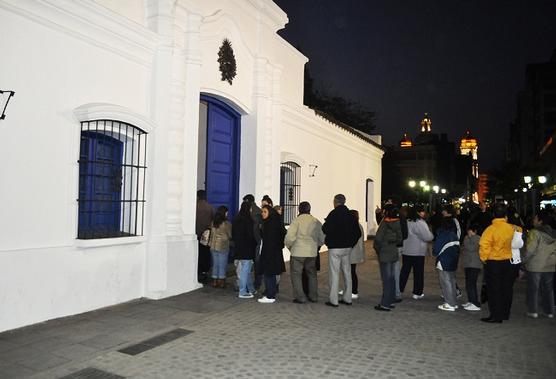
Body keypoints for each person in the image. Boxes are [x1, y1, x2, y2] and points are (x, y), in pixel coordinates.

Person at [479, 203, 523, 323]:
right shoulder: (512, 228)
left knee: (494, 289)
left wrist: (484, 259)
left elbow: (484, 245)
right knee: (507, 288)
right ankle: (504, 313)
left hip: (494, 262)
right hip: (508, 261)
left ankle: (495, 315)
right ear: (505, 215)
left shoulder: (490, 229)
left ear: (493, 214)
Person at [322, 194, 362, 307]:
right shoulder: (351, 215)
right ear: (344, 202)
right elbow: (357, 233)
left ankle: (333, 300)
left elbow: (325, 228)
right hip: (347, 248)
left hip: (335, 248)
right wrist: (351, 244)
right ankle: (347, 298)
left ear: (335, 202)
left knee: (334, 274)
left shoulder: (333, 214)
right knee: (347, 272)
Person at [285, 201, 325, 303]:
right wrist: (317, 246)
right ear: (309, 209)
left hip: (297, 252)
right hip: (311, 252)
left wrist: (290, 247)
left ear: (299, 209)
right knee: (312, 274)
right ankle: (313, 296)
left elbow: (289, 237)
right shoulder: (316, 221)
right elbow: (322, 237)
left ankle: (300, 297)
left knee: (296, 274)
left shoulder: (296, 221)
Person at [523, 210, 556, 318]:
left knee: (533, 289)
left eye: (535, 218)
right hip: (550, 264)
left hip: (536, 265)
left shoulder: (534, 232)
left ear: (540, 221)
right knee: (548, 289)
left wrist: (524, 260)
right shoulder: (553, 232)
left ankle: (533, 311)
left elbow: (530, 250)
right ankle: (549, 311)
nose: (533, 220)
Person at [400, 205, 434, 300]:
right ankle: (417, 292)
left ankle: (399, 289)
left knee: (404, 272)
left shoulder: (407, 222)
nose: (424, 213)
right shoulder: (420, 223)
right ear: (418, 213)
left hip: (406, 250)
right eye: (422, 211)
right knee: (418, 272)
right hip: (418, 251)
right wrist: (431, 234)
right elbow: (427, 237)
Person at [373, 206, 402, 311]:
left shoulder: (385, 223)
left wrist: (378, 250)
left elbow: (378, 239)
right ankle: (391, 300)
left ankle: (385, 304)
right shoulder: (398, 222)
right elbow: (400, 239)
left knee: (386, 279)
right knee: (392, 278)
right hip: (393, 251)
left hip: (385, 252)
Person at [257, 205, 286, 303]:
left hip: (270, 252)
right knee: (270, 274)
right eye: (262, 212)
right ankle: (271, 293)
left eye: (265, 212)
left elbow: (269, 239)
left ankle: (270, 295)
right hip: (273, 251)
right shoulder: (273, 222)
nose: (262, 214)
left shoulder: (270, 224)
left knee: (269, 273)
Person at [434, 218, 460, 311]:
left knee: (445, 282)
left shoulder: (443, 235)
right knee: (452, 281)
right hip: (453, 261)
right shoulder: (454, 235)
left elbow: (436, 250)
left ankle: (450, 303)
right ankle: (453, 302)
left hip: (444, 261)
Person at [232, 201, 257, 299]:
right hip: (247, 249)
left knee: (246, 271)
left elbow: (233, 234)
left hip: (238, 248)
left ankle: (251, 289)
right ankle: (242, 291)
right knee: (245, 271)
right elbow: (250, 235)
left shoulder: (236, 219)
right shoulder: (248, 220)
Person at [339, 210, 366, 300]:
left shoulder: (355, 226)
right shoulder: (357, 225)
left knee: (351, 272)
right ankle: (348, 289)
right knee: (348, 272)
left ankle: (354, 291)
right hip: (353, 253)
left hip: (352, 253)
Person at [243, 194, 263, 290]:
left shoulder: (252, 212)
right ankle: (256, 283)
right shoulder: (259, 211)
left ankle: (253, 283)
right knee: (256, 263)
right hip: (257, 240)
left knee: (253, 263)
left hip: (252, 240)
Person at [209, 206, 232, 288]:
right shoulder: (226, 223)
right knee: (222, 264)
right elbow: (229, 235)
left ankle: (215, 281)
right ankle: (221, 281)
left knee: (215, 264)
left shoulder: (213, 222)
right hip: (223, 245)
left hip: (213, 245)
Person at [461, 224, 482, 311]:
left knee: (471, 284)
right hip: (468, 264)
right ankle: (471, 301)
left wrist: (466, 239)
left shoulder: (477, 238)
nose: (469, 233)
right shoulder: (469, 238)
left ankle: (475, 303)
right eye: (468, 231)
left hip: (474, 264)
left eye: (471, 231)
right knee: (468, 284)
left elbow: (470, 248)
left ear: (475, 231)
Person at [196, 190, 214, 283]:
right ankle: (204, 271)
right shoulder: (210, 207)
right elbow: (214, 219)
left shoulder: (195, 206)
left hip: (196, 234)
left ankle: (197, 270)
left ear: (198, 197)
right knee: (205, 253)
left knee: (197, 253)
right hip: (206, 235)